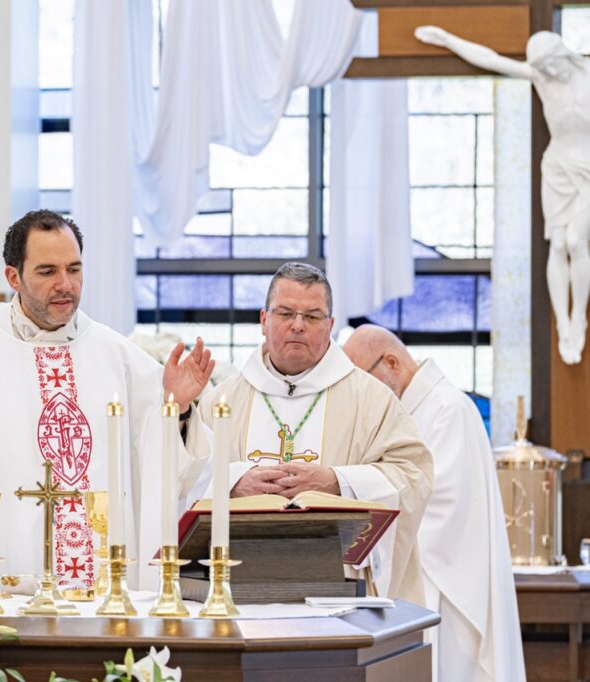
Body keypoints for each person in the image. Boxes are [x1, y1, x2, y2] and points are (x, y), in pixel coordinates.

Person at [0, 210, 215, 591]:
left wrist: (178, 413)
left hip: (102, 589)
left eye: (74, 270)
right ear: (14, 276)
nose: (65, 284)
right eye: (47, 272)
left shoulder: (119, 357)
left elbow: (170, 474)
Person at [188, 262, 433, 603]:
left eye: (313, 316)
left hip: (338, 588)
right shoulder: (224, 399)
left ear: (330, 325)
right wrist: (233, 481)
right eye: (286, 313)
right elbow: (185, 479)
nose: (298, 326)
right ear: (263, 320)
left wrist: (336, 482)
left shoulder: (371, 399)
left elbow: (413, 475)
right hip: (238, 586)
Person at [343, 325, 525, 682]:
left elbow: (439, 511)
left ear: (391, 362)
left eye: (362, 381)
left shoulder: (446, 409)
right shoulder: (412, 411)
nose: (361, 397)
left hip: (450, 584)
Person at [415, 25, 590, 365]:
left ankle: (579, 315)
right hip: (556, 166)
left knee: (574, 239)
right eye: (540, 68)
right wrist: (449, 39)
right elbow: (492, 60)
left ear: (561, 55)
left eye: (548, 65)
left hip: (588, 165)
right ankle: (564, 324)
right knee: (556, 243)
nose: (546, 73)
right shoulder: (543, 79)